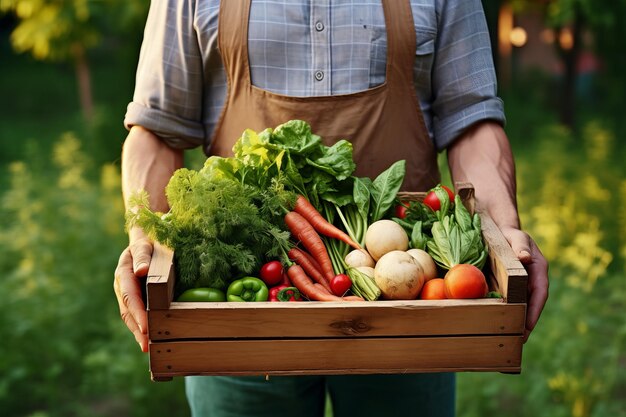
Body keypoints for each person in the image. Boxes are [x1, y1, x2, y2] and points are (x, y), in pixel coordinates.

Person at [114, 1, 549, 416]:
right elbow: (157, 127)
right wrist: (142, 239)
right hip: (238, 306)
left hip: (408, 305)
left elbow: (472, 118)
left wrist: (505, 230)